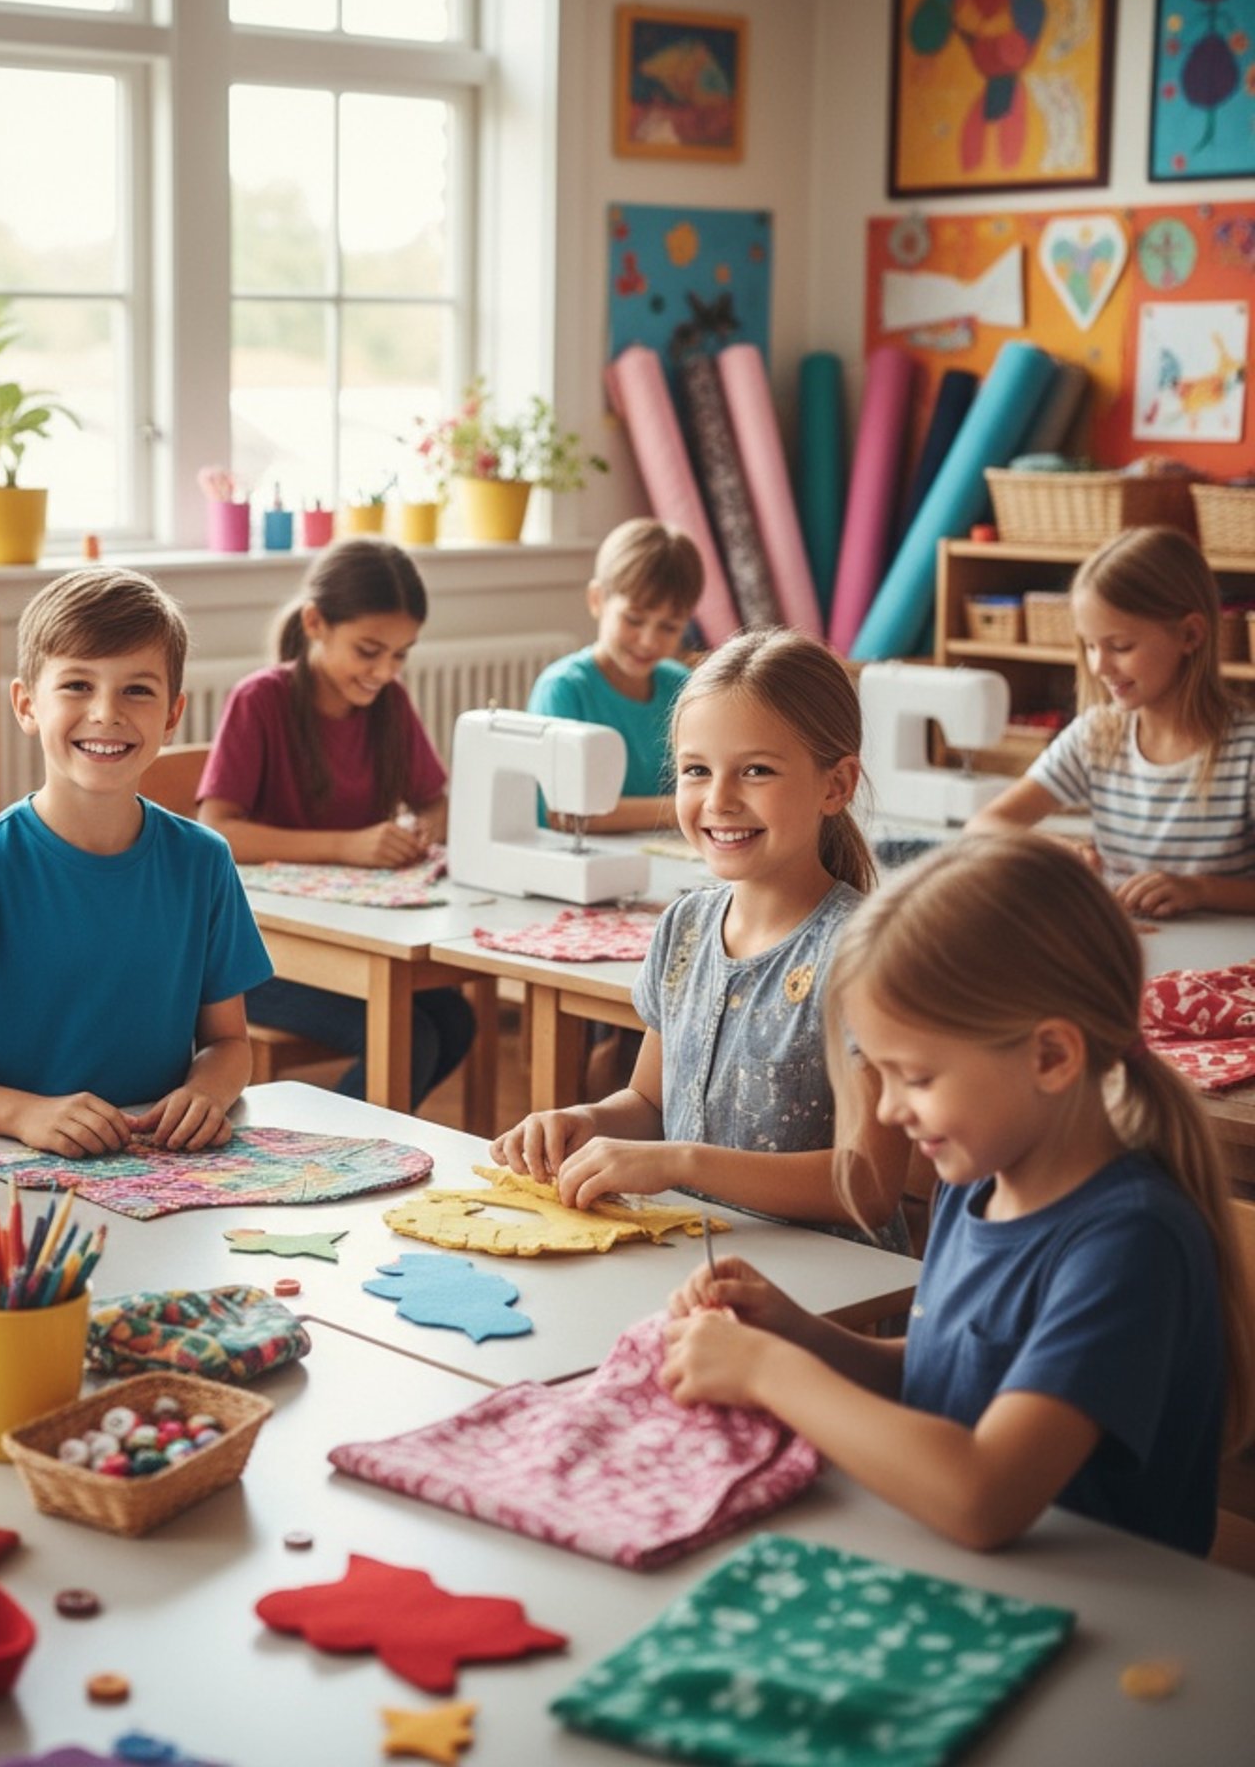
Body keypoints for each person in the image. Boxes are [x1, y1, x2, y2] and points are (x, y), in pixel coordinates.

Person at [660, 835, 1252, 1556]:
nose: (888, 1112)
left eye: (917, 1078)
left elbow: (985, 1496)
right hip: (965, 1570)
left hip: (1110, 1609)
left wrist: (768, 1371)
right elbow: (946, 1375)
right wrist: (796, 1334)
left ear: (1051, 1056)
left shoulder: (1131, 1242)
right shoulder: (979, 1187)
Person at [491, 627, 908, 1247]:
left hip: (831, 1288)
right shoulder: (684, 928)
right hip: (698, 1255)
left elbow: (868, 1183)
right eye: (696, 770)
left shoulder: (864, 952)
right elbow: (650, 1104)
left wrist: (681, 1162)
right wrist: (584, 1122)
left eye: (757, 771)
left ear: (836, 785)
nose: (719, 799)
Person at [0, 567, 271, 1154]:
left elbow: (229, 1043)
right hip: (2, 1168)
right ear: (26, 705)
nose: (105, 712)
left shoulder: (204, 862)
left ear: (172, 715)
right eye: (77, 685)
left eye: (137, 690)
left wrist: (206, 1092)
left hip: (157, 1165)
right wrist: (25, 1115)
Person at [197, 537, 474, 1109]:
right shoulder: (261, 700)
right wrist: (346, 846)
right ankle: (333, 1148)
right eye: (369, 651)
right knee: (412, 1036)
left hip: (354, 940)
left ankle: (368, 1138)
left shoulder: (389, 705)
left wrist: (423, 828)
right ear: (315, 623)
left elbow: (436, 802)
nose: (384, 671)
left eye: (400, 655)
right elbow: (219, 830)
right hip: (257, 956)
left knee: (455, 1020)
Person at [967, 524, 1255, 918]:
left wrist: (1200, 890)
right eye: (1089, 645)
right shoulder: (1096, 735)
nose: (1099, 666)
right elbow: (983, 826)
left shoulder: (1246, 751)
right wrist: (1052, 849)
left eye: (1120, 646)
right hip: (1128, 944)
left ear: (1190, 635)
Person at [525, 516, 704, 833]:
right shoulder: (563, 689)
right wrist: (681, 809)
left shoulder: (682, 685)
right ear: (597, 600)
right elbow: (562, 813)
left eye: (669, 627)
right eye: (634, 619)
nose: (648, 641)